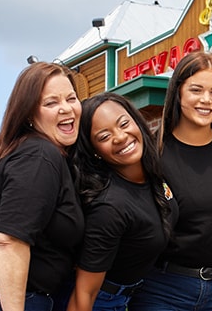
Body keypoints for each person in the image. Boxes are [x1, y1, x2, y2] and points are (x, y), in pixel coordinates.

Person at [129, 51, 212, 310]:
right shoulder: (152, 151)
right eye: (196, 90)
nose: (206, 100)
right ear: (178, 92)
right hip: (163, 290)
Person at [67, 92, 177, 311]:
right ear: (95, 151)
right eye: (104, 137)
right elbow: (84, 294)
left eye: (124, 123)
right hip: (103, 301)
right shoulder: (110, 207)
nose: (120, 137)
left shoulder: (153, 174)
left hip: (138, 294)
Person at [0, 62, 84, 311]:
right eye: (51, 103)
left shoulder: (51, 156)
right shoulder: (39, 155)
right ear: (28, 115)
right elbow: (9, 241)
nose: (66, 109)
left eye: (71, 98)